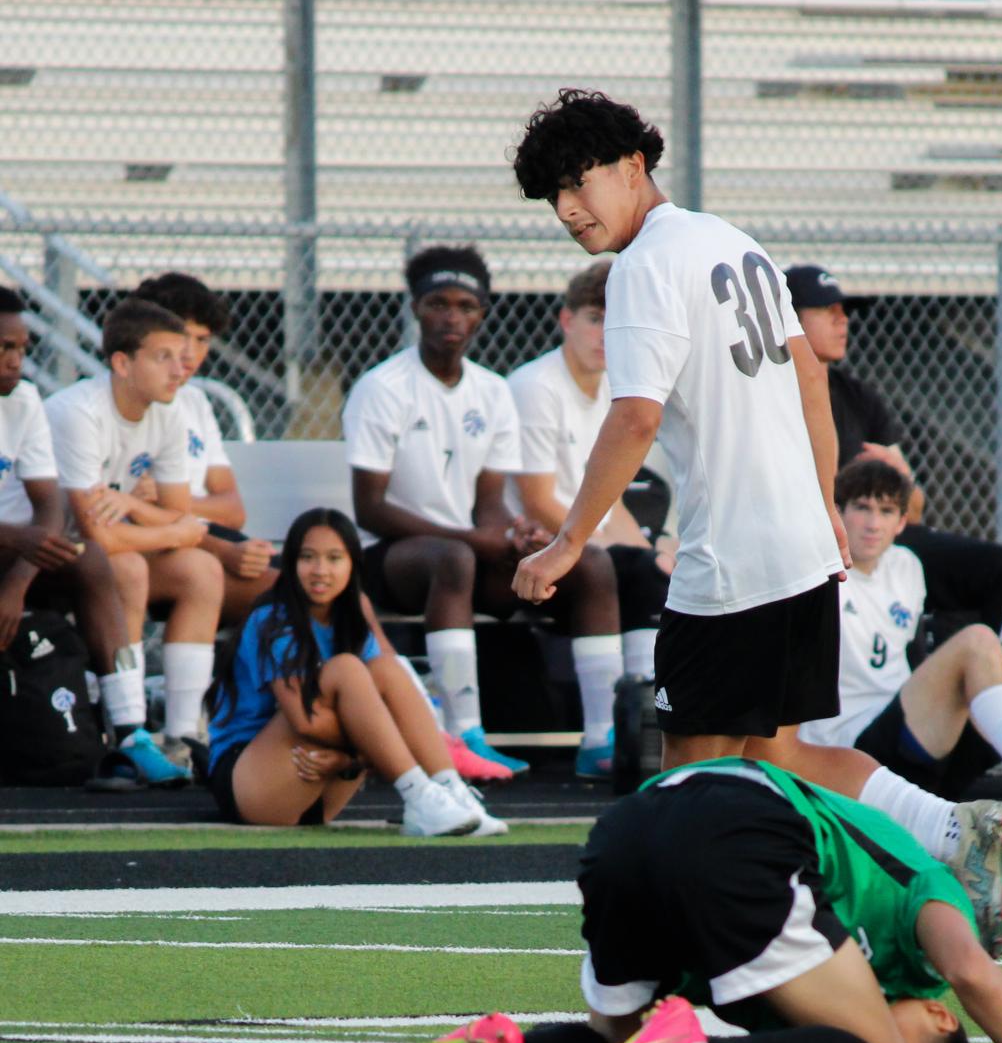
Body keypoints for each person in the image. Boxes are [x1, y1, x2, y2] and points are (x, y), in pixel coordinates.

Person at [507, 89, 1002, 946]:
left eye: (577, 182)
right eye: (551, 196)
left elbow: (633, 417)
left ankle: (690, 956)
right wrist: (821, 506)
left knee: (685, 785)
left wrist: (566, 543)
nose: (566, 208)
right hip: (798, 551)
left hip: (732, 561)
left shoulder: (642, 267)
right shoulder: (729, 239)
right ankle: (947, 829)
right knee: (779, 756)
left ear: (635, 167)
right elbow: (810, 378)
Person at [360, 756, 1002, 1043]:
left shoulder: (803, 984)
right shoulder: (926, 901)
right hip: (736, 826)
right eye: (908, 1023)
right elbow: (975, 971)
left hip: (628, 828)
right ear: (938, 1013)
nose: (869, 1018)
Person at [344, 243, 625, 781]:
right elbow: (371, 509)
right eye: (438, 304)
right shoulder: (381, 388)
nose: (452, 317)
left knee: (591, 563)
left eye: (465, 306)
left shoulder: (492, 391)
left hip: (465, 559)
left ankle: (602, 738)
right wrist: (478, 539)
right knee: (454, 557)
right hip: (397, 561)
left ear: (482, 314)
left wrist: (513, 535)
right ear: (415, 308)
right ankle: (462, 734)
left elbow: (490, 505)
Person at [799, 456, 1002, 822]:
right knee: (976, 641)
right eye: (862, 508)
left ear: (901, 523)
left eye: (885, 511)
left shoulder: (906, 566)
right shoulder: (818, 574)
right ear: (839, 512)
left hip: (912, 739)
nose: (872, 523)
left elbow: (907, 659)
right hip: (852, 747)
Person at [206, 507, 504, 835]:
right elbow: (305, 721)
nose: (320, 571)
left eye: (334, 558)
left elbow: (381, 705)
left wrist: (351, 760)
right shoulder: (273, 616)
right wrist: (358, 754)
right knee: (346, 668)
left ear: (352, 565)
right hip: (252, 779)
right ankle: (419, 795)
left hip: (322, 776)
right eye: (307, 557)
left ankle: (451, 790)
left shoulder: (352, 613)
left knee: (384, 669)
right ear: (290, 563)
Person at [785, 261, 1002, 636]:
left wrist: (902, 478)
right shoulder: (774, 394)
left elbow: (912, 509)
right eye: (827, 311)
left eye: (845, 312)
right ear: (791, 320)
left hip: (881, 537)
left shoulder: (859, 396)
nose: (843, 321)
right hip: (814, 543)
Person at [45, 295, 224, 785]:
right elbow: (96, 533)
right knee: (127, 566)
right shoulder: (76, 411)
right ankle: (128, 732)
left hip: (98, 552)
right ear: (122, 363)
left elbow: (178, 511)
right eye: (163, 356)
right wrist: (170, 528)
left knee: (200, 570)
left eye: (183, 354)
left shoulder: (169, 409)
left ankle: (184, 738)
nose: (180, 367)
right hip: (42, 554)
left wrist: (133, 507)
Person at [507, 257, 673, 687]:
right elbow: (538, 500)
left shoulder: (613, 391)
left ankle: (644, 709)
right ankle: (619, 723)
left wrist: (651, 552)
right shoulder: (536, 386)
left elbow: (611, 499)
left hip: (586, 542)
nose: (604, 334)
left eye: (613, 321)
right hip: (540, 545)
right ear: (567, 319)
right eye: (594, 318)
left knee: (660, 571)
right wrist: (593, 544)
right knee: (635, 571)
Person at [0, 287, 140, 740]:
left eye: (23, 348)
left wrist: (16, 585)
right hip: (8, 540)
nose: (16, 361)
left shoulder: (23, 400)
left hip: (8, 550)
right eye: (4, 347)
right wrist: (18, 541)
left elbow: (50, 506)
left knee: (90, 559)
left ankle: (129, 729)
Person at [131, 271, 276, 626]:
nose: (191, 353)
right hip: (163, 550)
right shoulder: (127, 402)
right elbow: (135, 510)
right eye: (183, 337)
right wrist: (215, 538)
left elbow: (232, 508)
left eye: (203, 339)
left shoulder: (195, 401)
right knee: (301, 599)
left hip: (208, 539)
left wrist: (174, 501)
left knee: (334, 587)